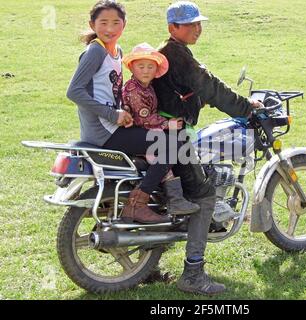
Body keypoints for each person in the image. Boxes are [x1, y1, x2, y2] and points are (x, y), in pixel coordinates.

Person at [152, 1, 264, 295]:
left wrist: (212, 101)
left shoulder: (173, 53)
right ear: (172, 28)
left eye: (199, 23)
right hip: (172, 136)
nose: (197, 29)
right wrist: (245, 107)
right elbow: (209, 85)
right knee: (203, 195)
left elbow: (196, 92)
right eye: (190, 24)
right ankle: (193, 274)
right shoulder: (175, 54)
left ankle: (149, 265)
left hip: (168, 131)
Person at [66, 0, 194, 225]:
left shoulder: (116, 52)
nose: (110, 28)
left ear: (124, 25)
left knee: (164, 139)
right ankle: (138, 205)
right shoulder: (95, 52)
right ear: (92, 24)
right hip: (102, 132)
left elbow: (112, 91)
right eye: (103, 22)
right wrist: (112, 114)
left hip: (113, 126)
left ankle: (159, 196)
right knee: (169, 145)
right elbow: (74, 91)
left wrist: (124, 110)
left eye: (116, 23)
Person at [121, 43, 199, 216]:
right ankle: (172, 198)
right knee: (166, 152)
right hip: (139, 131)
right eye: (141, 66)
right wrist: (167, 123)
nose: (146, 70)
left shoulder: (146, 86)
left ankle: (170, 197)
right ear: (132, 67)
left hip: (146, 130)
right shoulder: (134, 89)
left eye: (150, 66)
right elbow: (143, 118)